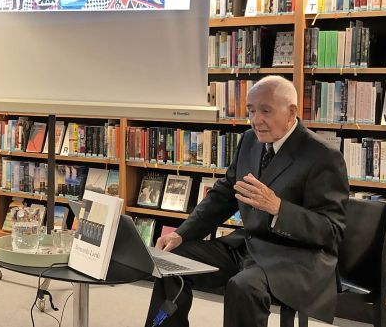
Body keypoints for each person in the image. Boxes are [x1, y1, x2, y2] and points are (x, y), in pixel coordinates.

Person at [145, 75, 349, 327]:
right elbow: (223, 195)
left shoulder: (323, 156)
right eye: (251, 111)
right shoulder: (249, 141)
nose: (255, 120)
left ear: (291, 112)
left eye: (265, 110)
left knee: (243, 286)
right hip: (248, 246)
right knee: (171, 261)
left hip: (296, 258)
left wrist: (278, 208)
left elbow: (332, 230)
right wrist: (182, 234)